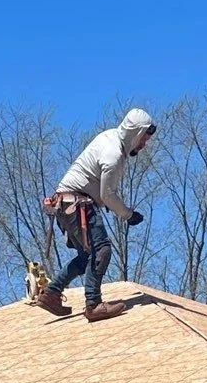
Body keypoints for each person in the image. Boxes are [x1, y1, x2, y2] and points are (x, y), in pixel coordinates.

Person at [36, 109, 155, 322]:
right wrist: (128, 215)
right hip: (78, 204)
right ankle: (93, 304)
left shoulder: (109, 136)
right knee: (102, 250)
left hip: (65, 203)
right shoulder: (114, 156)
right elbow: (107, 194)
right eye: (143, 139)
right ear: (135, 134)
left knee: (86, 256)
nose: (143, 145)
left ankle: (52, 293)